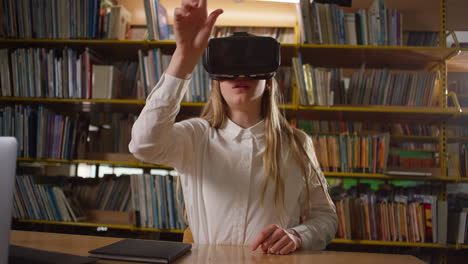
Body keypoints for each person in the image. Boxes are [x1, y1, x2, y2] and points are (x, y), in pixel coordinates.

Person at [129, 0, 337, 255]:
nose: (240, 74)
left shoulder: (296, 143)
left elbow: (325, 217)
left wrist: (298, 235)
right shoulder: (195, 136)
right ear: (216, 82)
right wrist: (184, 57)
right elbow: (143, 146)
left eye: (250, 65)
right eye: (229, 66)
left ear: (269, 81)